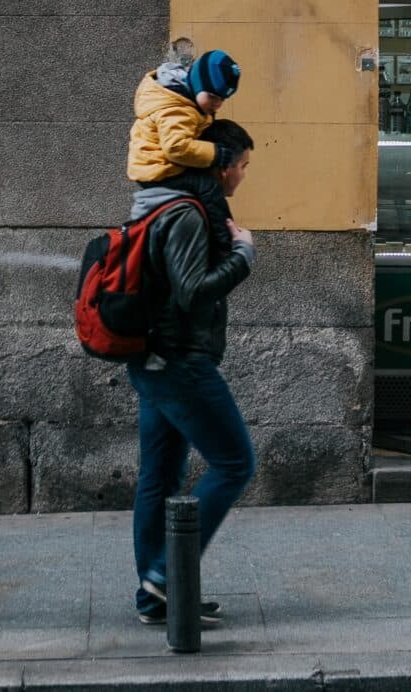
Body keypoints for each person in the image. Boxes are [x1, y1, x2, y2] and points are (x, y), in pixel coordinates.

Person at [127, 119, 256, 626]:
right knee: (235, 462)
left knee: (160, 477)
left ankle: (156, 595)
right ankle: (164, 576)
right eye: (243, 165)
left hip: (156, 360)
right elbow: (192, 291)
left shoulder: (168, 202)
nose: (244, 174)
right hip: (178, 361)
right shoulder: (188, 213)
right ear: (221, 168)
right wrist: (243, 256)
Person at [127, 45, 242, 261]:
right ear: (197, 83)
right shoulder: (178, 109)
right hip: (157, 168)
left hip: (159, 162)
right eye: (213, 96)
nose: (217, 104)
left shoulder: (186, 98)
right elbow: (176, 148)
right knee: (208, 187)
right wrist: (215, 153)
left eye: (222, 99)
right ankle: (226, 246)